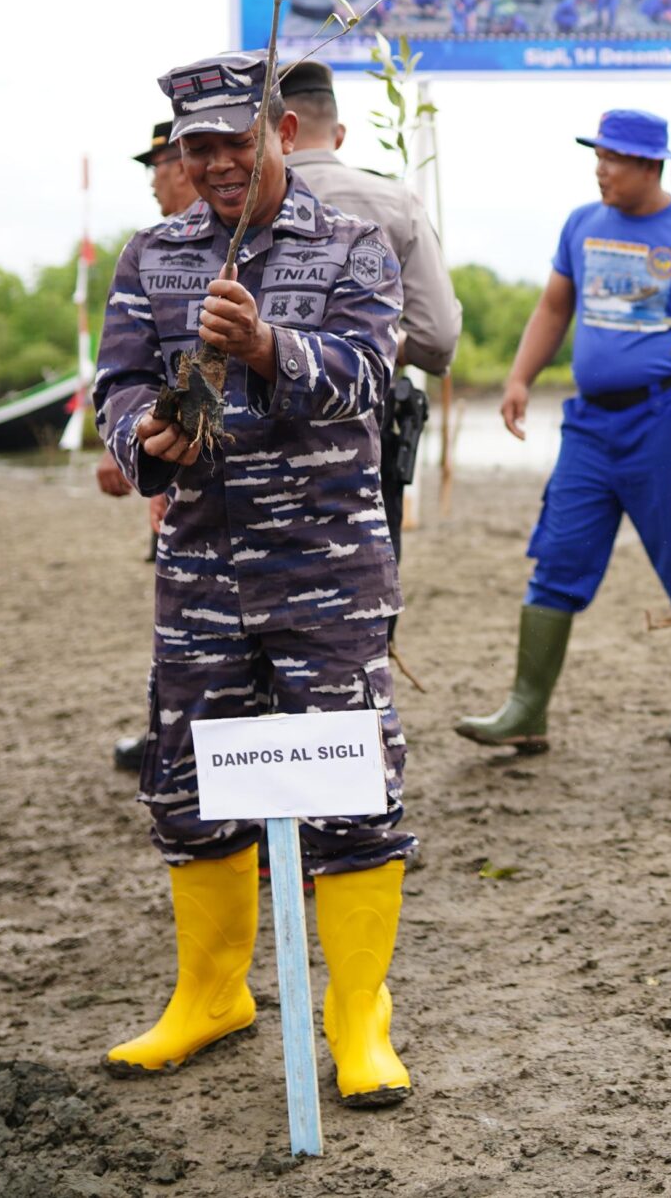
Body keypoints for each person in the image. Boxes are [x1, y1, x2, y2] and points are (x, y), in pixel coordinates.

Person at [93, 54, 416, 1108]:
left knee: (349, 779)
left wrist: (273, 348)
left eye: (236, 140)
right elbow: (120, 381)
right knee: (190, 779)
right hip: (201, 562)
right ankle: (212, 993)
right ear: (177, 154)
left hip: (325, 563)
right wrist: (142, 434)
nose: (219, 163)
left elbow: (370, 374)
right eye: (198, 148)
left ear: (280, 131)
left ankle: (358, 1019)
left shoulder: (353, 242)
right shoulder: (153, 253)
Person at [458, 109, 671, 752]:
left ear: (651, 165)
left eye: (612, 159)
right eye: (597, 156)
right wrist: (518, 379)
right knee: (557, 556)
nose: (600, 170)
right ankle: (526, 709)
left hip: (666, 422)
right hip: (589, 427)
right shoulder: (582, 225)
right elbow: (554, 306)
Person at [278, 60, 463, 591]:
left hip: (252, 440)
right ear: (338, 134)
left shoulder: (234, 203)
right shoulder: (393, 201)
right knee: (360, 617)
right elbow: (437, 337)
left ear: (275, 129)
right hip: (360, 437)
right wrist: (372, 345)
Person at [104, 120, 200, 775]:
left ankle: (172, 738)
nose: (153, 180)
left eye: (159, 165)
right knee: (176, 608)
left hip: (202, 468)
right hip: (163, 447)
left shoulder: (210, 253)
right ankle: (165, 731)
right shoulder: (153, 254)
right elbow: (130, 370)